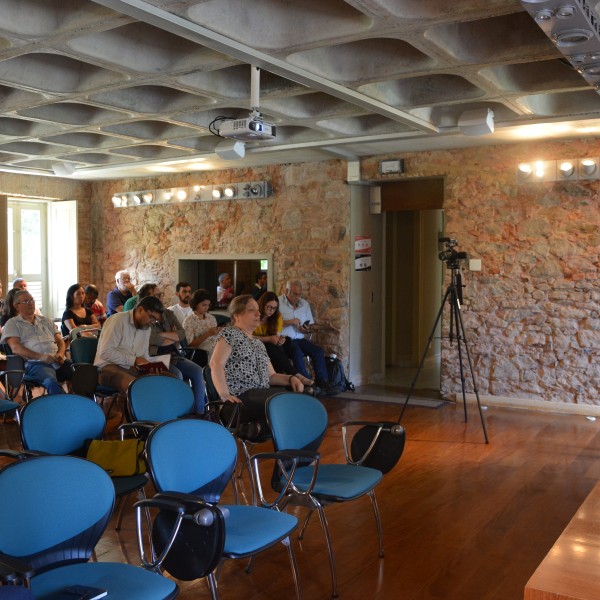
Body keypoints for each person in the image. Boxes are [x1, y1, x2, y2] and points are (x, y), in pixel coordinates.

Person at [210, 294, 305, 438]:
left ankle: (259, 427)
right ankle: (260, 427)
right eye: (251, 310)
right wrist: (224, 395)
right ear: (237, 316)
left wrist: (291, 378)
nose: (258, 313)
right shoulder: (229, 333)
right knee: (287, 402)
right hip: (239, 400)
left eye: (258, 310)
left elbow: (271, 376)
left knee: (305, 401)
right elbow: (216, 363)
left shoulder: (258, 343)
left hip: (259, 398)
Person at [0, 289, 72, 394]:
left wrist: (61, 353)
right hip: (35, 363)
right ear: (17, 306)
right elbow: (16, 348)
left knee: (81, 375)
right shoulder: (12, 324)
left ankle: (84, 406)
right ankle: (63, 407)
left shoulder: (46, 321)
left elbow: (60, 341)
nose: (31, 304)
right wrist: (41, 357)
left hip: (58, 360)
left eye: (32, 300)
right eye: (26, 301)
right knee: (51, 382)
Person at [94, 295, 164, 393]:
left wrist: (149, 366)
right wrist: (135, 360)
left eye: (155, 320)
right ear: (140, 310)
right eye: (151, 317)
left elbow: (143, 355)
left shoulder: (146, 328)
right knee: (138, 388)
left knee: (167, 381)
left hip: (132, 368)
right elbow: (105, 352)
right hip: (107, 369)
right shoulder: (118, 320)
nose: (152, 322)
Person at [279, 280, 338, 396]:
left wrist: (304, 329)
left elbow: (308, 324)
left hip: (300, 338)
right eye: (295, 294)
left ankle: (323, 382)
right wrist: (289, 322)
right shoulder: (278, 302)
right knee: (297, 352)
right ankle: (307, 383)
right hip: (285, 340)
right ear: (286, 291)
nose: (298, 297)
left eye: (300, 294)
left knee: (318, 351)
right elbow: (270, 324)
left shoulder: (304, 304)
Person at [149, 304, 207, 413]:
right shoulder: (148, 318)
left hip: (174, 354)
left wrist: (162, 334)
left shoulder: (168, 313)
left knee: (198, 370)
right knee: (177, 374)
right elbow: (153, 340)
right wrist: (172, 336)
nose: (157, 299)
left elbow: (181, 334)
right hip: (156, 356)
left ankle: (200, 413)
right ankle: (180, 412)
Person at [254, 292, 314, 386]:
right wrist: (269, 339)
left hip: (273, 345)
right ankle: (296, 376)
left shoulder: (277, 317)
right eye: (269, 307)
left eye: (274, 308)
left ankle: (294, 377)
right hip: (257, 345)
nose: (271, 311)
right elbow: (248, 336)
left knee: (289, 343)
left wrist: (280, 340)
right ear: (262, 304)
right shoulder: (254, 316)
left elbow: (277, 336)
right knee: (271, 347)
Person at [183, 289, 222, 359]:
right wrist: (208, 334)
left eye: (208, 305)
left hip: (216, 345)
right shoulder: (189, 321)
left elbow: (217, 336)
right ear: (195, 304)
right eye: (203, 305)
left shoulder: (211, 318)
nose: (206, 308)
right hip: (200, 351)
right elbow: (190, 345)